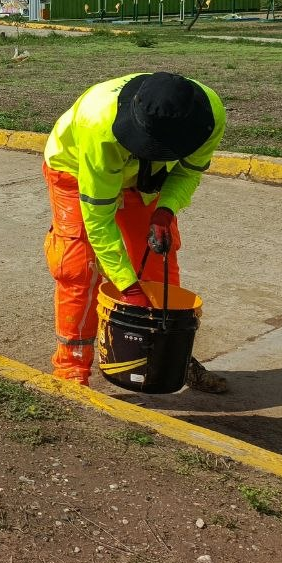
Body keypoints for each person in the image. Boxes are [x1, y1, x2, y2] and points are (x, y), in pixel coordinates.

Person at [42, 71, 228, 393]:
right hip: (76, 170)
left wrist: (165, 210)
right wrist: (128, 290)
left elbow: (188, 171)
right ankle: (72, 371)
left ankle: (168, 359)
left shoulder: (208, 114)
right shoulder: (97, 123)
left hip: (145, 179)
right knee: (79, 268)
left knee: (158, 266)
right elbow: (100, 220)